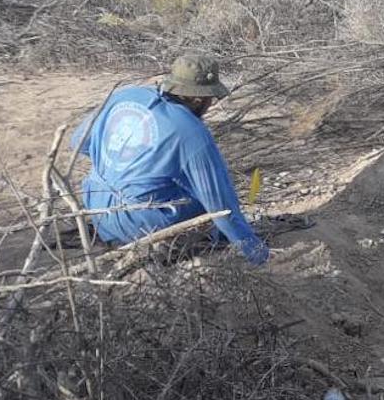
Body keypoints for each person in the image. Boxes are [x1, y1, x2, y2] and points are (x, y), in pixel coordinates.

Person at [71, 54, 269, 264]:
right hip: (138, 225)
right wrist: (255, 252)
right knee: (203, 204)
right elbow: (221, 206)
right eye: (211, 99)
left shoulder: (126, 95)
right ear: (198, 99)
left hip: (97, 207)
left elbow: (79, 142)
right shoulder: (191, 132)